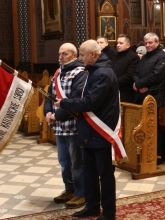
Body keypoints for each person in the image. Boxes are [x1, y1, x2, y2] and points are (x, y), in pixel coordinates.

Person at [55, 39, 119, 220]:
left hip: (101, 132)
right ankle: (92, 206)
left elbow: (91, 102)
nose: (80, 59)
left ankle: (108, 212)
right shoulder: (92, 71)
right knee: (90, 173)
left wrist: (65, 103)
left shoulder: (104, 73)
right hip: (89, 132)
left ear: (93, 54)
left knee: (105, 175)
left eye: (82, 55)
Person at [44, 43, 87, 209]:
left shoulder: (81, 72)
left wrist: (57, 115)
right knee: (64, 161)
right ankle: (69, 189)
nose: (61, 57)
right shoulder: (57, 72)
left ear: (75, 55)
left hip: (73, 126)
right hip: (59, 127)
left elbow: (75, 99)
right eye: (59, 53)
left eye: (65, 54)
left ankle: (81, 192)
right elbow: (49, 95)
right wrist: (47, 112)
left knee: (77, 162)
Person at [133, 32, 165, 165]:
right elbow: (136, 72)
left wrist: (139, 84)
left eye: (150, 43)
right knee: (143, 126)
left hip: (154, 96)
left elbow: (156, 76)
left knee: (152, 127)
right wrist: (138, 85)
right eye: (146, 43)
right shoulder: (145, 57)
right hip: (142, 95)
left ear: (157, 42)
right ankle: (145, 153)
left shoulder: (162, 57)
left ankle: (157, 155)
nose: (148, 45)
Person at [112, 34, 140, 103]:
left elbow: (129, 76)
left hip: (125, 93)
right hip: (114, 90)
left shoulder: (133, 57)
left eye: (121, 43)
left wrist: (113, 83)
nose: (118, 45)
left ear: (128, 45)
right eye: (117, 43)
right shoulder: (116, 56)